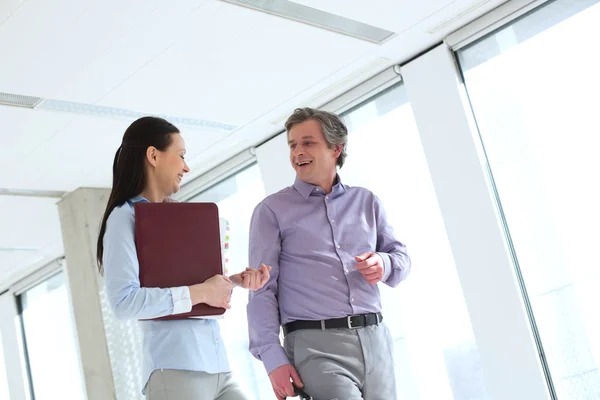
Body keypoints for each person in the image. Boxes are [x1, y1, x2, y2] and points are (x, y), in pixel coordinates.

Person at [96, 116, 271, 400]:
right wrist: (202, 291)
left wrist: (233, 283)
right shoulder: (123, 218)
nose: (186, 167)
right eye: (181, 156)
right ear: (153, 155)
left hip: (218, 367)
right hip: (174, 371)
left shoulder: (180, 217)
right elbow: (124, 303)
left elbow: (188, 288)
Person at [247, 108, 411, 400]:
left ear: (336, 148)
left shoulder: (366, 201)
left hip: (376, 340)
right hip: (315, 345)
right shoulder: (271, 211)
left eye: (307, 142)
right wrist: (273, 359)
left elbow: (400, 257)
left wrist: (383, 263)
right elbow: (261, 290)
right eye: (293, 144)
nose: (297, 151)